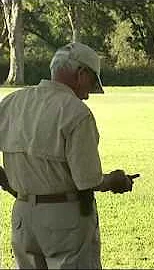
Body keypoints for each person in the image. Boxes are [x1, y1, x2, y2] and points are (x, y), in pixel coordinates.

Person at [0, 42, 140, 269]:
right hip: (65, 220)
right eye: (93, 82)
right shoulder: (75, 112)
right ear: (81, 74)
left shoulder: (12, 103)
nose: (88, 94)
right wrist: (116, 180)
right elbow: (87, 180)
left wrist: (10, 185)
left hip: (23, 216)